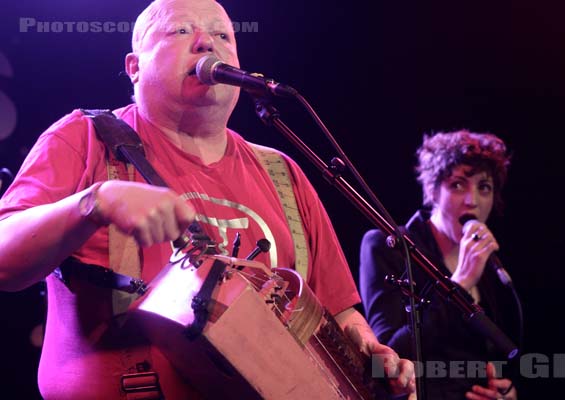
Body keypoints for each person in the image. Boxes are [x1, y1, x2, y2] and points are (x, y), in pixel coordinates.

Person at [0, 0, 415, 398]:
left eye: (222, 35)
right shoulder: (83, 139)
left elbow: (339, 315)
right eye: (181, 30)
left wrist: (372, 356)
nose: (206, 42)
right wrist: (96, 201)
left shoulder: (283, 173)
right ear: (134, 67)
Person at [360, 130, 518, 399]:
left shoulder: (485, 260)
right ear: (432, 190)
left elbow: (491, 355)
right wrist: (460, 283)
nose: (473, 200)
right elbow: (388, 354)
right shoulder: (389, 246)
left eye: (484, 187)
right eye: (457, 185)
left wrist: (506, 391)